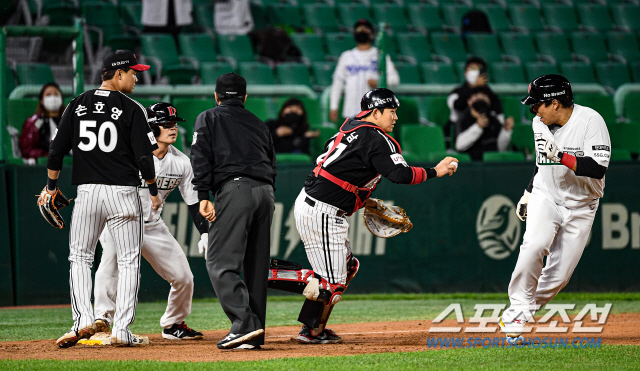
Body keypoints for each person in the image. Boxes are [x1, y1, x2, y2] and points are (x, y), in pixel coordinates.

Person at [294, 88, 459, 344]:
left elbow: (337, 174)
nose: (395, 117)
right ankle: (263, 274)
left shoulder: (350, 130)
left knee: (347, 268)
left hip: (320, 206)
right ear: (375, 112)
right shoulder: (376, 138)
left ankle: (313, 329)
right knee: (330, 284)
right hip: (322, 211)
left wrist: (364, 200)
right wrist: (436, 170)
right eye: (391, 111)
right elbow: (400, 175)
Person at [42, 49, 159, 348]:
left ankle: (82, 320)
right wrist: (154, 190)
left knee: (80, 257)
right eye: (133, 72)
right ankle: (121, 329)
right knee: (130, 261)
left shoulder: (77, 104)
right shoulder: (133, 108)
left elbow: (56, 151)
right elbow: (145, 159)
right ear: (117, 74)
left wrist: (51, 188)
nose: (136, 76)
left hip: (88, 192)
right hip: (123, 192)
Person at [499, 75, 611, 344]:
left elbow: (598, 168)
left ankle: (521, 313)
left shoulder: (591, 121)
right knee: (534, 245)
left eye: (537, 104)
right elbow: (541, 162)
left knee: (559, 276)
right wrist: (528, 192)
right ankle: (516, 313)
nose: (533, 110)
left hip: (582, 205)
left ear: (556, 103)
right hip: (546, 195)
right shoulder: (540, 122)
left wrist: (561, 156)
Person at [92, 103, 208, 341]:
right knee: (111, 262)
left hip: (152, 225)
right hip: (117, 220)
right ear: (151, 128)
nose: (173, 129)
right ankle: (102, 320)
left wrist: (204, 233)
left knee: (183, 276)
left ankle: (173, 324)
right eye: (166, 125)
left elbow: (194, 202)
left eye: (175, 124)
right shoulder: (127, 154)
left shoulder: (182, 162)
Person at [190, 72, 276, 350]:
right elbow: (272, 163)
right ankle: (255, 332)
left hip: (235, 190)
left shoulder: (209, 117)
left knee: (218, 261)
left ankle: (243, 324)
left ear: (216, 97)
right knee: (256, 266)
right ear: (245, 97)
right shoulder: (259, 123)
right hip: (266, 193)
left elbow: (200, 157)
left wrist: (203, 194)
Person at [329, 19, 400, 122]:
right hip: (351, 111)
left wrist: (379, 83)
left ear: (371, 34)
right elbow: (337, 83)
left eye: (365, 29)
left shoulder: (379, 55)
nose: (361, 31)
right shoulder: (346, 56)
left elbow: (395, 79)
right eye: (359, 29)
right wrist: (333, 107)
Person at [446, 56, 513, 150]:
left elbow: (499, 116)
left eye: (478, 69)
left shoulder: (490, 95)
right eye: (472, 68)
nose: (475, 72)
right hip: (461, 132)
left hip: (487, 133)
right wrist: (474, 87)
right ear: (465, 73)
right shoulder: (457, 93)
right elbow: (457, 106)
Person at [453, 86, 514, 161]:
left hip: (492, 163)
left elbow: (500, 149)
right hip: (471, 164)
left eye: (484, 96)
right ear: (469, 101)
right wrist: (478, 127)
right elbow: (459, 146)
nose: (480, 98)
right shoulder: (463, 119)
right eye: (476, 96)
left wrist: (506, 131)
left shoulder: (494, 119)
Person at [19, 82, 65, 161]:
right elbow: (27, 150)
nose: (53, 98)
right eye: (48, 95)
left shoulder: (69, 121)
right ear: (42, 101)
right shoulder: (34, 122)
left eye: (56, 94)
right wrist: (44, 155)